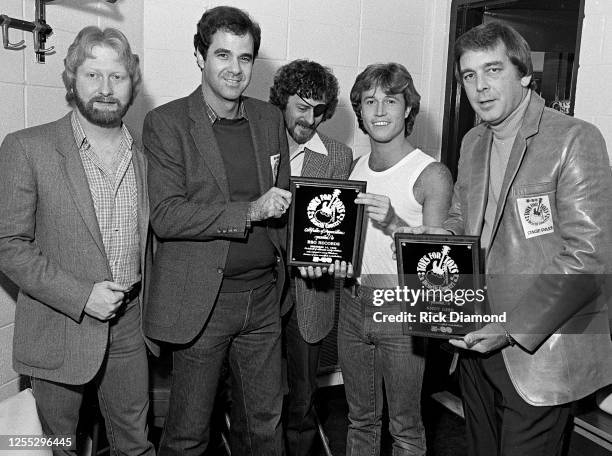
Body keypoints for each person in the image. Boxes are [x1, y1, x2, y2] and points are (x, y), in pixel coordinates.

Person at [402, 22, 612, 456]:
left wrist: (511, 328)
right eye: (469, 75)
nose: (480, 87)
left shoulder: (574, 138)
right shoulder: (474, 140)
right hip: (474, 339)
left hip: (539, 348)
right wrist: (431, 238)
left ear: (524, 74)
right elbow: (464, 219)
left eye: (493, 70)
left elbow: (589, 258)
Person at [142, 6, 291, 455]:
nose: (234, 69)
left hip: (264, 299)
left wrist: (321, 247)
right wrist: (248, 211)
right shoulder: (167, 123)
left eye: (245, 58)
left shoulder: (269, 119)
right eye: (222, 55)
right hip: (204, 302)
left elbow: (282, 204)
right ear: (200, 56)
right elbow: (166, 215)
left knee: (265, 427)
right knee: (188, 434)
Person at [0, 26, 154, 455]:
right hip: (58, 326)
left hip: (129, 325)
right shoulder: (26, 147)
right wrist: (81, 295)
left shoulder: (144, 156)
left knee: (136, 443)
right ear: (72, 80)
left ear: (132, 85)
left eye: (117, 77)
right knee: (55, 446)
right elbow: (8, 244)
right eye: (92, 75)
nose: (105, 88)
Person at [341, 63, 453, 456]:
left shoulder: (431, 173)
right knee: (359, 421)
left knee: (405, 428)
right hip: (353, 303)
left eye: (391, 100)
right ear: (360, 110)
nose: (380, 110)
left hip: (401, 309)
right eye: (370, 101)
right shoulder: (355, 168)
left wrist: (395, 222)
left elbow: (438, 266)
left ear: (408, 108)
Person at [269, 59, 353, 456]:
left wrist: (332, 256)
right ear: (281, 101)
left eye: (320, 110)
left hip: (310, 295)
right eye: (302, 107)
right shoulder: (258, 143)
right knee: (257, 398)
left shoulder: (337, 155)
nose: (311, 119)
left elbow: (333, 230)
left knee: (303, 400)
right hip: (260, 293)